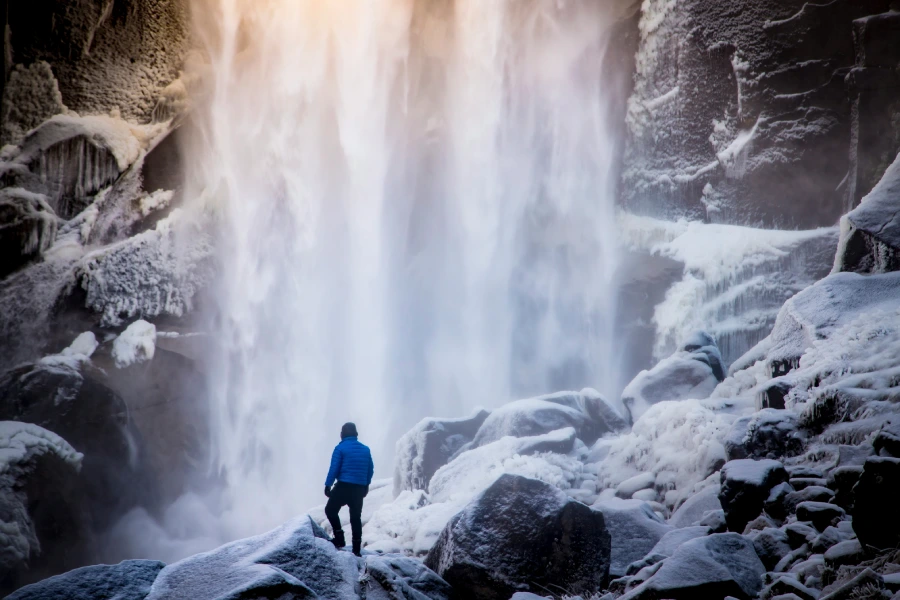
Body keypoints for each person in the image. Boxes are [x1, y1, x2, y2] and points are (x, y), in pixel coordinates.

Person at [324, 422, 374, 556]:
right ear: (356, 434)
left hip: (343, 486)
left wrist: (328, 485)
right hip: (358, 489)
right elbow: (370, 470)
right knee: (355, 518)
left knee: (330, 510)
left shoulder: (340, 448)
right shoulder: (365, 449)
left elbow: (334, 468)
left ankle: (339, 539)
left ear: (342, 435)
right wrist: (366, 485)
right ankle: (356, 549)